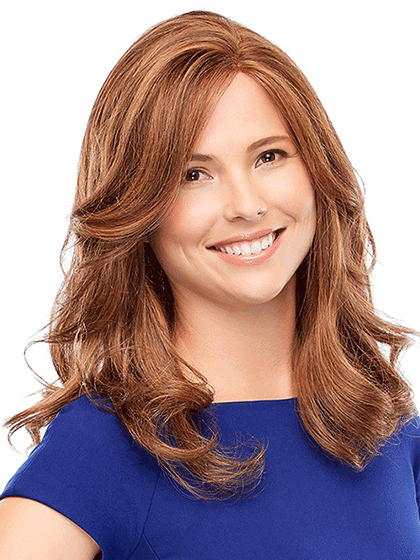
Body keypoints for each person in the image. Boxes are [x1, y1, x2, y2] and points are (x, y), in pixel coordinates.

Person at [0, 9, 419, 560]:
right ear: (137, 209)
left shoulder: (388, 429)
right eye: (193, 174)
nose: (247, 205)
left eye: (269, 156)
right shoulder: (106, 447)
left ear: (318, 170)